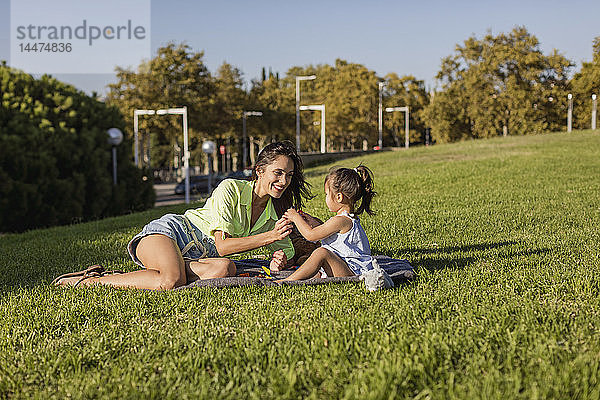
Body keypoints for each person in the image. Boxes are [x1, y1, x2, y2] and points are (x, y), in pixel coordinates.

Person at [54, 141, 314, 290]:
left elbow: (286, 254)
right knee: (171, 281)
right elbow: (223, 246)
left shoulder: (273, 215)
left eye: (289, 175)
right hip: (170, 233)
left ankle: (152, 272)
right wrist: (268, 238)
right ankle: (91, 282)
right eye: (277, 173)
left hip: (197, 257)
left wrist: (278, 261)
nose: (283, 181)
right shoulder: (231, 189)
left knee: (224, 269)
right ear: (259, 171)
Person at [280, 164, 377, 281]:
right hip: (345, 267)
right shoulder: (346, 219)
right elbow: (326, 231)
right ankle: (297, 277)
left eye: (326, 194)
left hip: (351, 271)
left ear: (339, 197)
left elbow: (311, 235)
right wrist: (311, 221)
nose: (325, 198)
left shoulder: (341, 220)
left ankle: (287, 281)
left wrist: (296, 217)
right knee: (311, 272)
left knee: (322, 253)